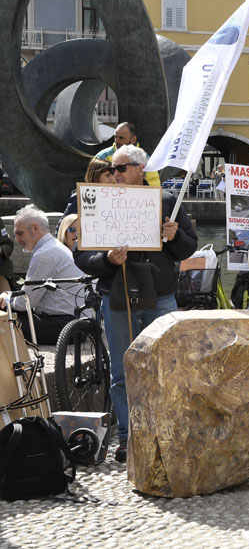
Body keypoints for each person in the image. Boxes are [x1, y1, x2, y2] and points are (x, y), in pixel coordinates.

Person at [73, 144, 197, 462]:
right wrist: (107, 259)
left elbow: (188, 247)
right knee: (121, 371)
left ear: (140, 169)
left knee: (165, 367)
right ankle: (129, 438)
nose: (114, 174)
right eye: (112, 169)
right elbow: (82, 256)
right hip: (117, 297)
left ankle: (163, 433)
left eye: (120, 168)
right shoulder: (99, 201)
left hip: (160, 297)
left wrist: (174, 236)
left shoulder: (167, 201)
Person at [0, 205, 84, 345]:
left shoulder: (45, 253)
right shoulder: (53, 246)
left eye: (20, 233)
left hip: (65, 325)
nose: (17, 239)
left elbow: (25, 302)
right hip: (75, 323)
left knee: (4, 319)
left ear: (34, 228)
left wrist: (6, 297)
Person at [94, 122, 160, 187]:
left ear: (133, 139)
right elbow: (92, 182)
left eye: (121, 138)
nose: (116, 141)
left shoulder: (146, 159)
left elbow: (154, 185)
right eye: (115, 137)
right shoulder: (101, 157)